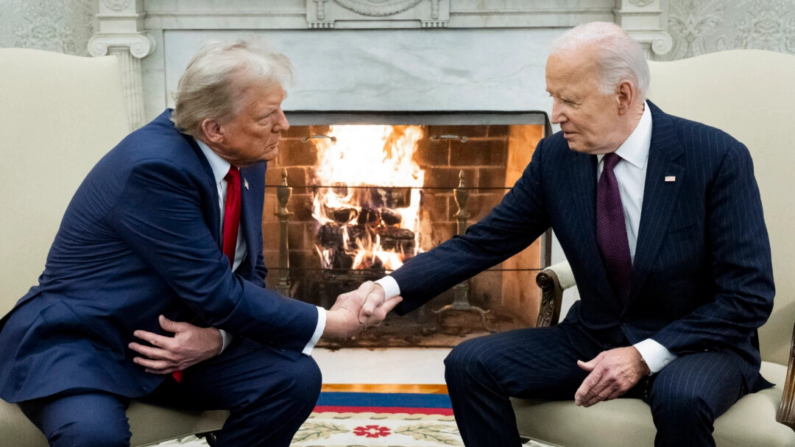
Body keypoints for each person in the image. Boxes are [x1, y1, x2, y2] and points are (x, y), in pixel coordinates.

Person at [351, 22, 775, 447]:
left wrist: (643, 356)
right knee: (469, 364)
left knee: (681, 397)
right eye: (552, 96)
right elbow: (486, 241)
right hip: (597, 334)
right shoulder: (556, 157)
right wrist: (389, 287)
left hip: (697, 345)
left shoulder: (715, 157)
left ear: (623, 95)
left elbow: (747, 296)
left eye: (569, 100)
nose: (555, 114)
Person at [0, 41, 399, 447]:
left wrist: (217, 339)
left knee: (291, 378)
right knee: (94, 436)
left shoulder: (246, 156)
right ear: (214, 129)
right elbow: (216, 291)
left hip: (175, 340)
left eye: (280, 107)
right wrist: (328, 323)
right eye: (267, 115)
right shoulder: (155, 168)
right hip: (88, 343)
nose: (285, 124)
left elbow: (249, 270)